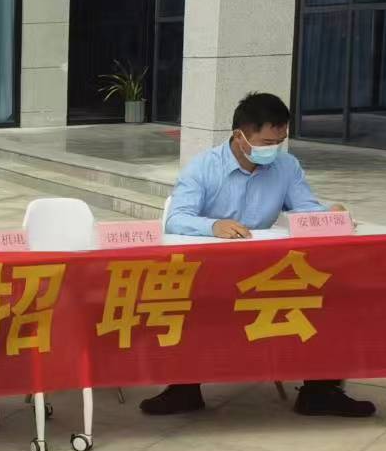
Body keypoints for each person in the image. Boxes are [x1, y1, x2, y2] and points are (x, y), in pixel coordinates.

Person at [145, 90, 372, 419]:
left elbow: (305, 209)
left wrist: (329, 214)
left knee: (329, 293)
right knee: (182, 299)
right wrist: (213, 226)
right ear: (240, 136)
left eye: (280, 141)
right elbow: (175, 219)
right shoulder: (204, 168)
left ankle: (320, 391)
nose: (273, 150)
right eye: (266, 142)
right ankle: (183, 389)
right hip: (209, 271)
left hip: (264, 272)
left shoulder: (286, 166)